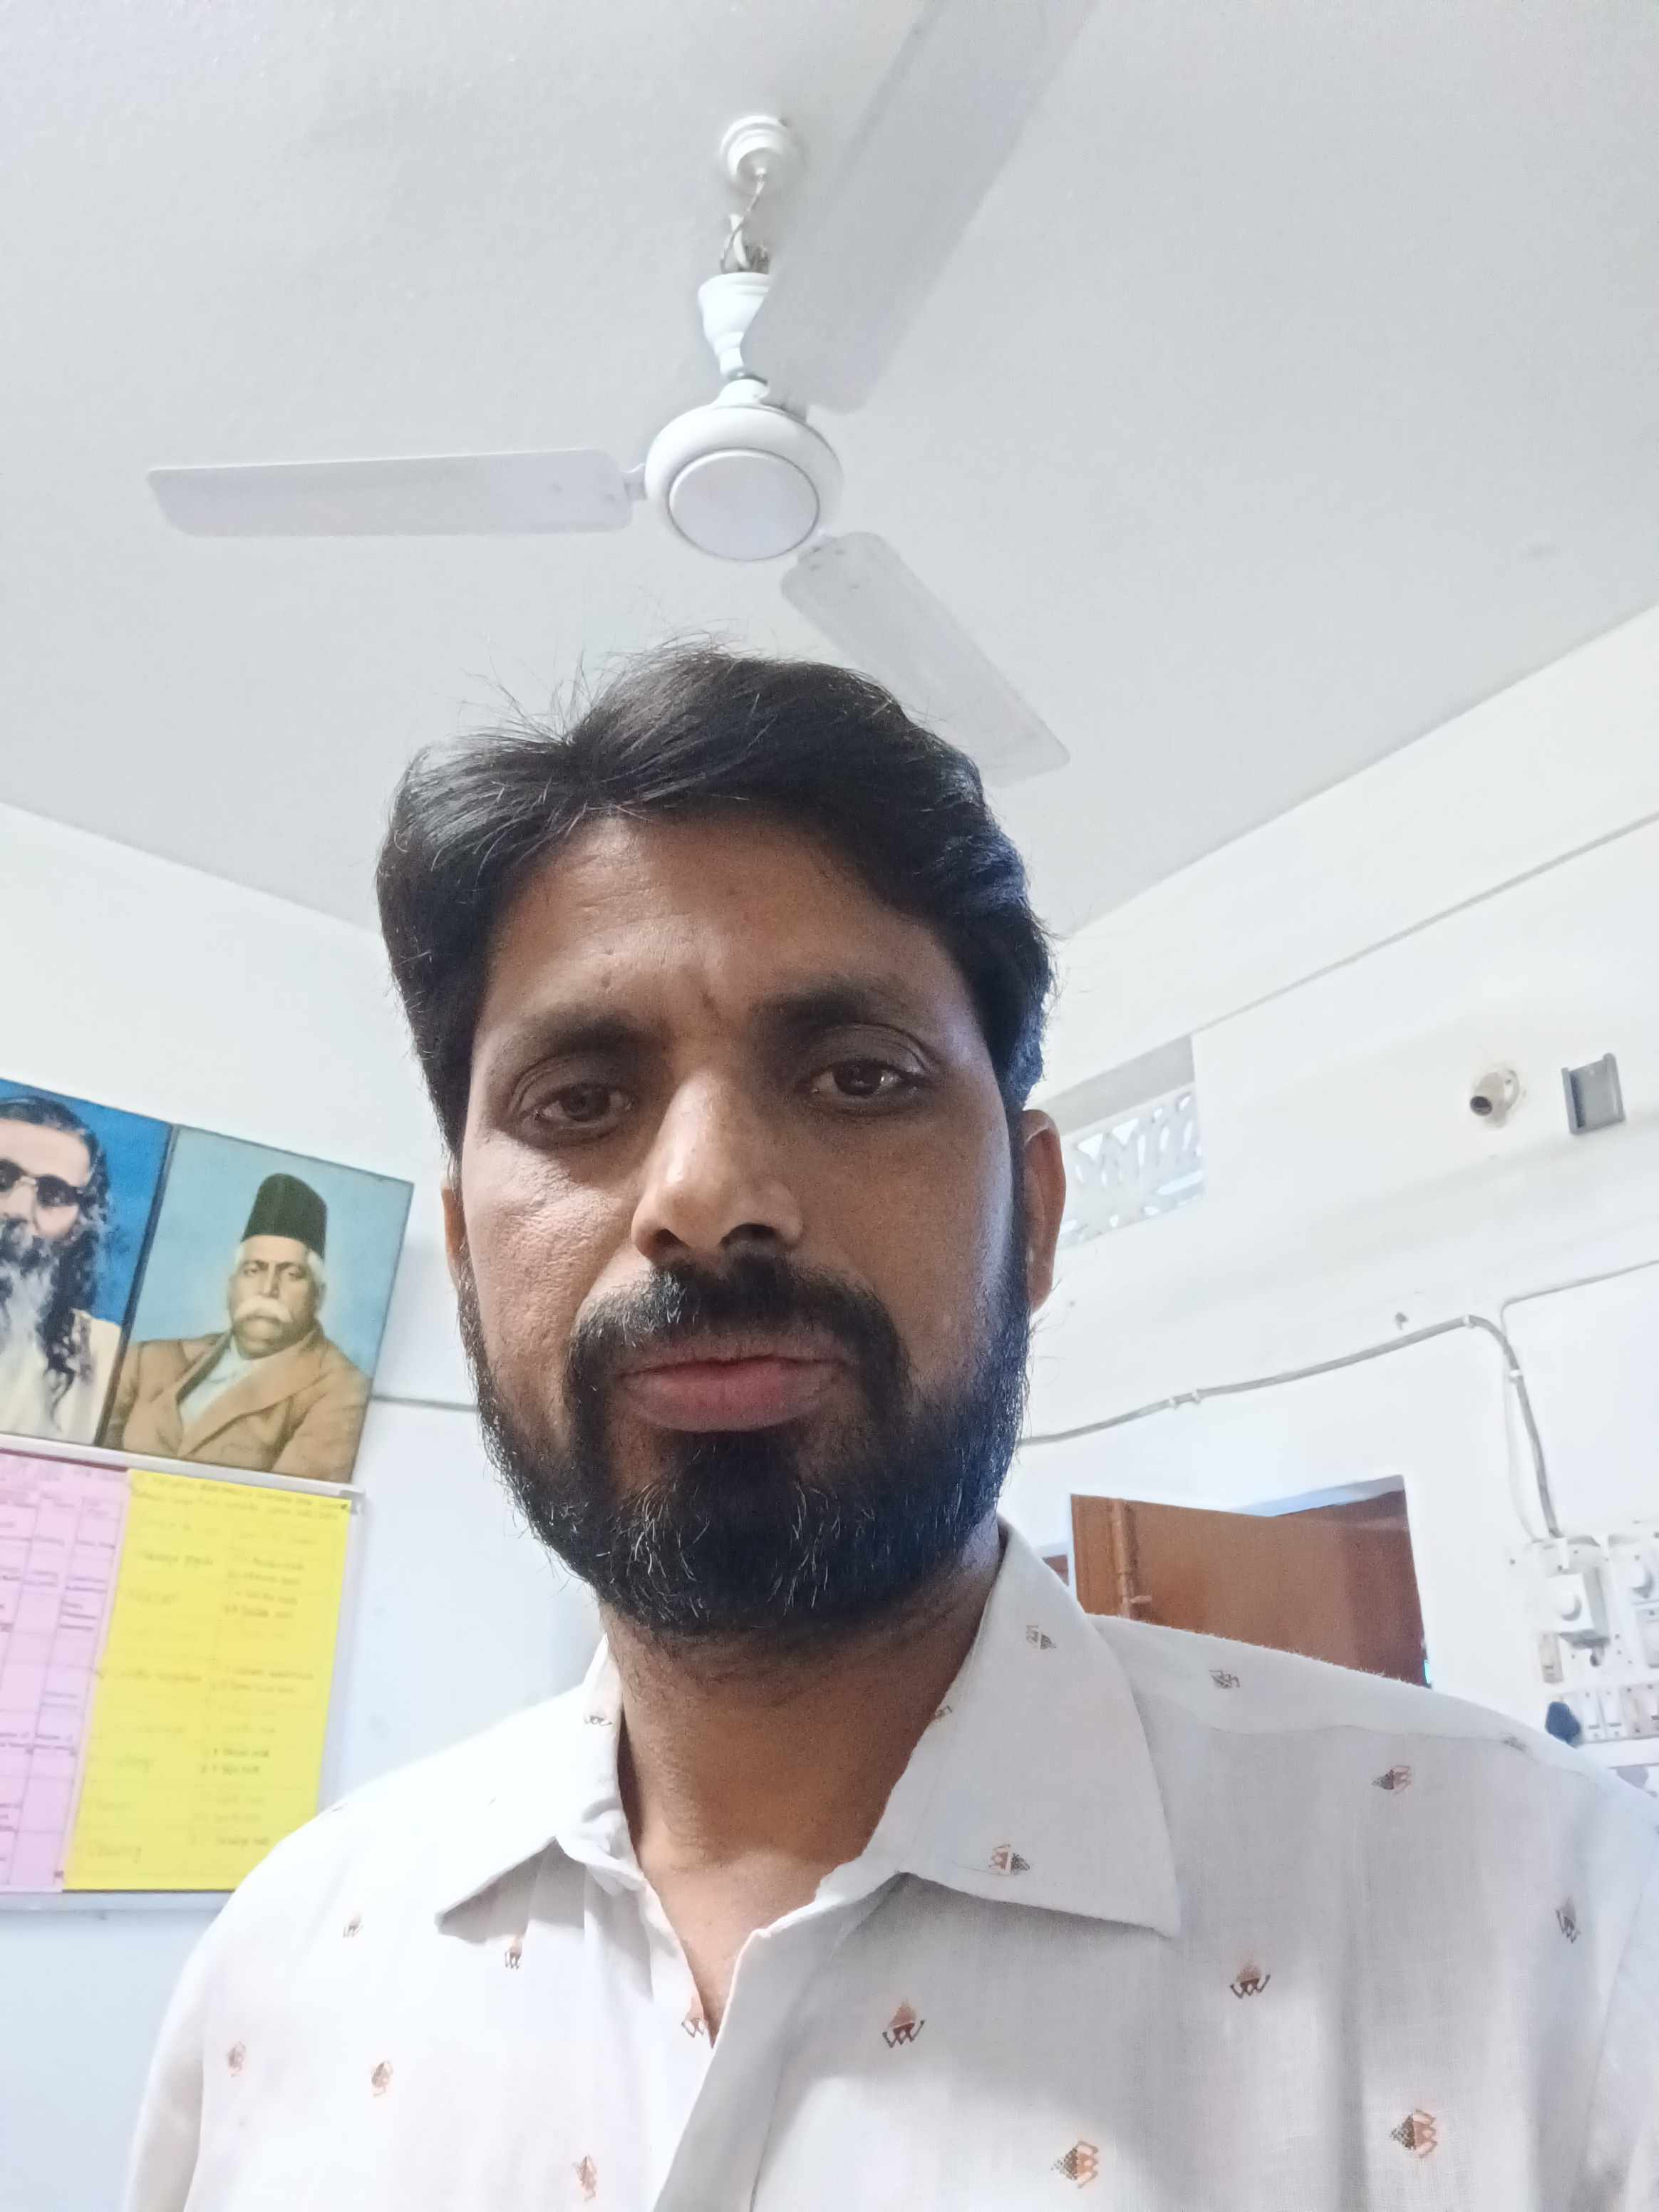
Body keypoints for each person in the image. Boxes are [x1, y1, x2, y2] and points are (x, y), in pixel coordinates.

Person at [128, 649, 1656, 2210]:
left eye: (860, 1076)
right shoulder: (281, 1971)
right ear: (465, 1259)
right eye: (580, 1100)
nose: (706, 1195)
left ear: (1033, 1216)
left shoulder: (1554, 1925)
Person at [103, 1172, 369, 1481]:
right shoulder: (147, 1360)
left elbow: (287, 1506)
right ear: (231, 1286)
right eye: (253, 1270)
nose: (268, 1288)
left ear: (318, 1296)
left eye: (292, 1274)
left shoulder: (343, 1390)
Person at [0, 1092, 121, 1444]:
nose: (18, 1209)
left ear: (79, 1227)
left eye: (53, 1195)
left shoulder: (103, 1357)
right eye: (1, 1176)